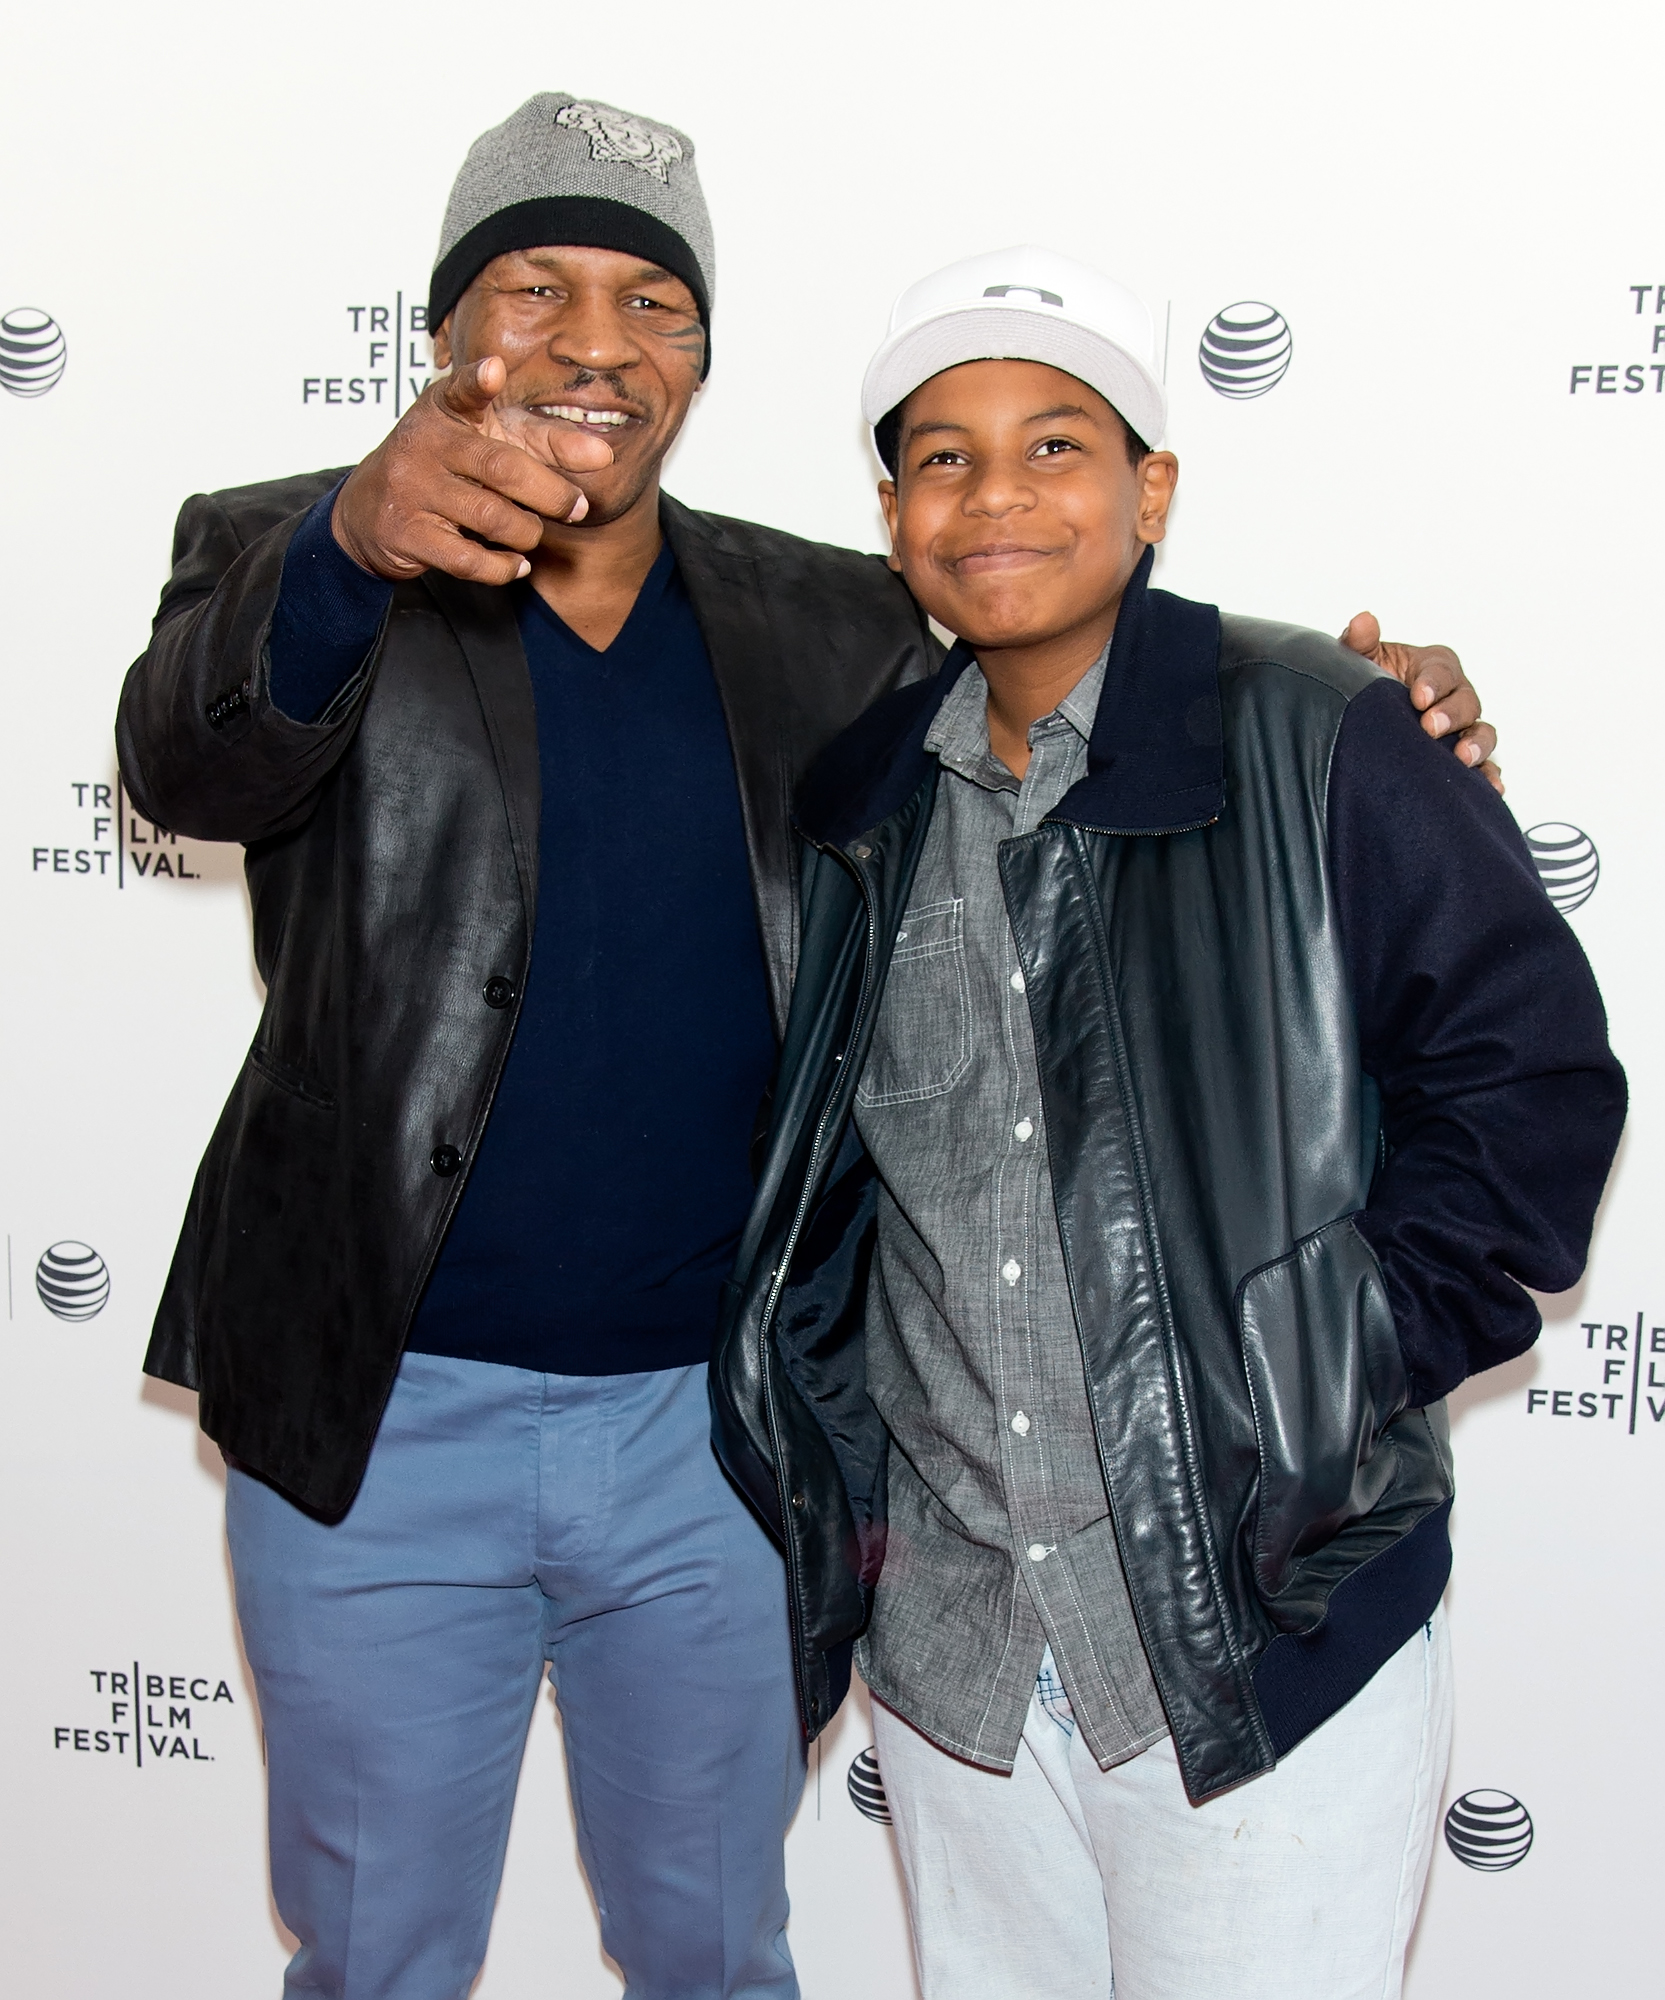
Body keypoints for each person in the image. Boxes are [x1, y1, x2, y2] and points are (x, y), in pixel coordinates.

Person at [118, 88, 1494, 2000]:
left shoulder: (835, 616)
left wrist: (1367, 701)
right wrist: (350, 542)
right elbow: (186, 757)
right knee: (370, 1952)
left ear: (698, 352)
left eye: (653, 302)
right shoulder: (288, 551)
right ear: (445, 329)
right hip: (377, 1420)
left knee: (714, 1947)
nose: (596, 342)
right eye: (537, 284)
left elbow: (1077, 646)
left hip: (716, 1434)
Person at [710, 246, 1625, 2000]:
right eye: (943, 458)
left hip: (1251, 1637)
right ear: (893, 515)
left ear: (1151, 490)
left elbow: (1530, 1090)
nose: (995, 497)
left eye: (1054, 446)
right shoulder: (859, 806)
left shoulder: (1324, 733)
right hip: (963, 1656)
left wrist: (1318, 1360)